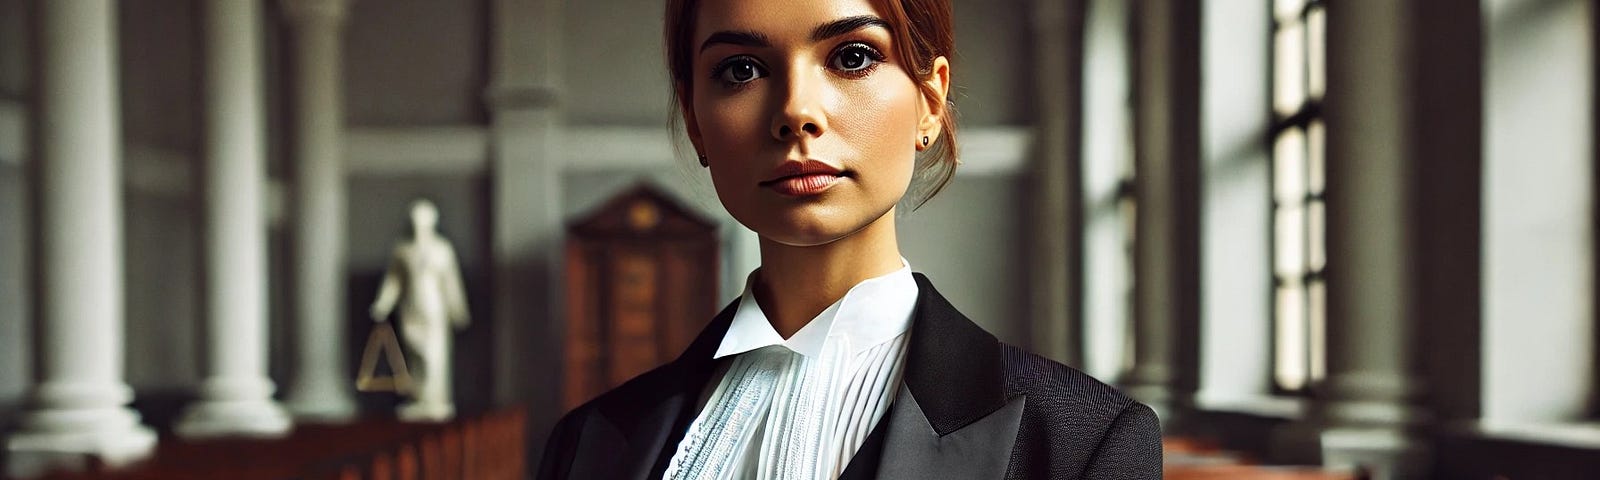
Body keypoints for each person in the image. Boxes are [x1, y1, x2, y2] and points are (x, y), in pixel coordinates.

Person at [538, 0, 1162, 477]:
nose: (796, 112)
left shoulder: (1085, 442)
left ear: (929, 100)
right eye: (741, 69)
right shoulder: (585, 443)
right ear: (696, 120)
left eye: (852, 57)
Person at [369, 199, 471, 422]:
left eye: (422, 222)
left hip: (434, 309)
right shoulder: (403, 250)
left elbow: (451, 282)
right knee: (414, 356)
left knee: (434, 357)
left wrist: (458, 309)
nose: (418, 227)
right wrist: (383, 304)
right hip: (410, 310)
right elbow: (394, 281)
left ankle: (434, 400)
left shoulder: (442, 249)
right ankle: (419, 399)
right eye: (415, 221)